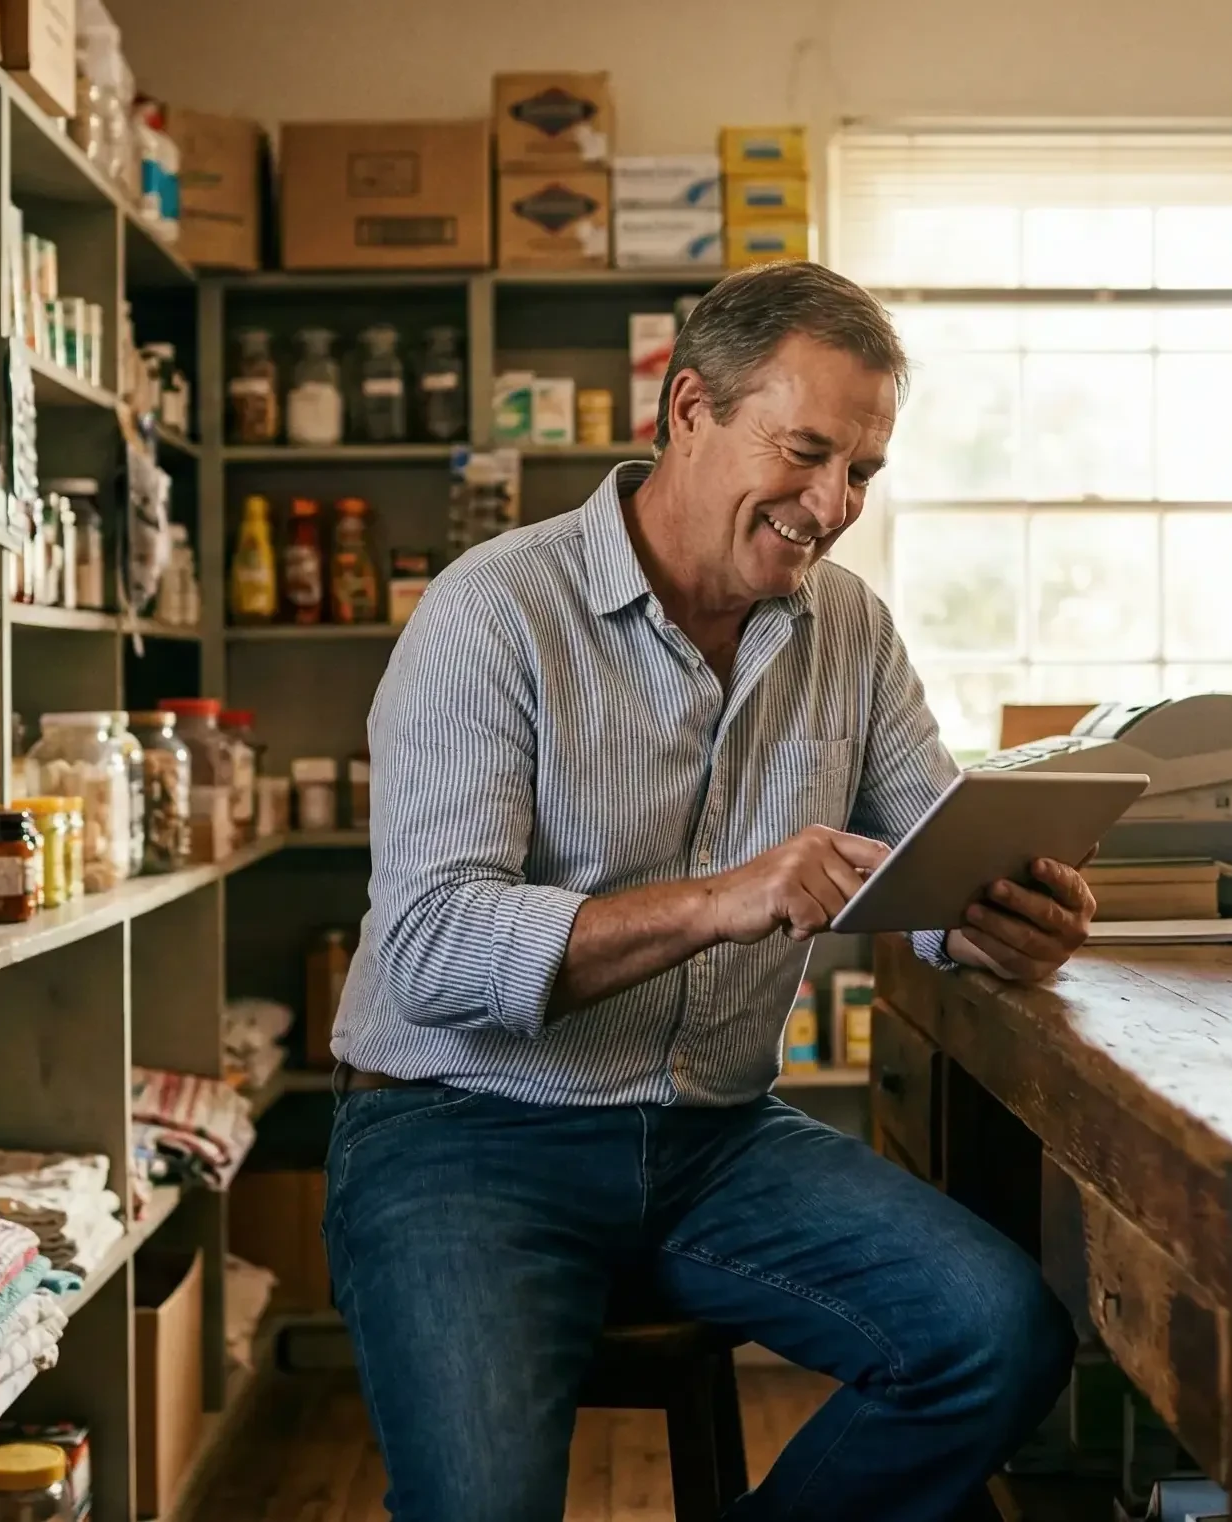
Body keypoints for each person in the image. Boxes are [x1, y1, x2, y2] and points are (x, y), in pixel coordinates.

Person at [327, 261, 1094, 1521]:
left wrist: (1004, 921)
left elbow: (930, 860)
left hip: (710, 1140)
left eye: (861, 472)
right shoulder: (493, 611)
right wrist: (725, 898)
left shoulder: (847, 629)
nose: (833, 503)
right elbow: (428, 947)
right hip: (458, 1136)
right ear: (687, 408)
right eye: (803, 452)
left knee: (996, 1339)